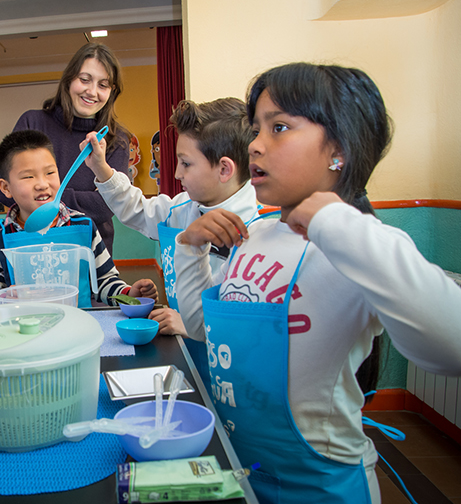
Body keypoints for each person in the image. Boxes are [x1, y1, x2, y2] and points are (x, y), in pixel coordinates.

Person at [179, 63, 461, 503]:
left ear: (339, 149)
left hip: (324, 486)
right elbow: (202, 331)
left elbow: (453, 345)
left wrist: (332, 220)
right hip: (243, 470)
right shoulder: (252, 237)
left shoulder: (364, 242)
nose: (255, 144)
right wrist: (189, 251)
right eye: (256, 129)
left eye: (279, 127)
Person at [84, 98, 257, 342]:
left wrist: (192, 325)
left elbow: (251, 328)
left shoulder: (259, 229)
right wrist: (101, 168)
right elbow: (137, 209)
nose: (177, 173)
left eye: (186, 163)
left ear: (224, 169)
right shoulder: (183, 207)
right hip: (186, 349)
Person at [0, 130, 157, 307]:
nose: (42, 184)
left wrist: (128, 294)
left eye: (50, 173)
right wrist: (5, 297)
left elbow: (105, 281)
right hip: (25, 331)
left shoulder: (83, 226)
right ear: (5, 187)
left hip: (77, 327)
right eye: (28, 177)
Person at [0, 42, 130, 254]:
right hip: (31, 251)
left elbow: (106, 206)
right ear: (69, 79)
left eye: (103, 85)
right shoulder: (33, 123)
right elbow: (6, 193)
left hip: (91, 257)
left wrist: (43, 197)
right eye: (84, 80)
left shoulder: (118, 141)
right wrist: (82, 198)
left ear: (112, 92)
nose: (92, 91)